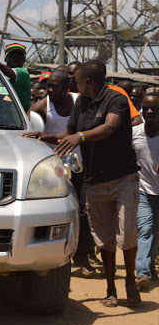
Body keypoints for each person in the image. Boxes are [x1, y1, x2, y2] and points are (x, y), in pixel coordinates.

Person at [31, 60, 141, 307]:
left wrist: (80, 137)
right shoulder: (81, 103)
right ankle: (111, 288)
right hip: (95, 181)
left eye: (77, 81)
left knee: (127, 234)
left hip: (123, 178)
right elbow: (67, 133)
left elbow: (109, 127)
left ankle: (131, 281)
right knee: (105, 240)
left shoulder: (116, 99)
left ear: (87, 81)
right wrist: (44, 136)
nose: (75, 85)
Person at [26, 70, 96, 277]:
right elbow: (30, 133)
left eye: (54, 86)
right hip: (53, 170)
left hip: (80, 166)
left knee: (83, 212)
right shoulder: (41, 107)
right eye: (48, 86)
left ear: (67, 87)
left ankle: (82, 257)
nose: (49, 90)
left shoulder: (80, 101)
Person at [132, 92, 159, 291]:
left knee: (156, 232)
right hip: (142, 189)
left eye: (154, 108)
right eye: (146, 108)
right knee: (145, 229)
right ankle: (142, 273)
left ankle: (150, 265)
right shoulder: (134, 133)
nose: (149, 111)